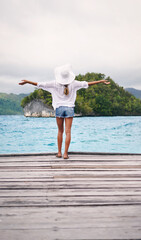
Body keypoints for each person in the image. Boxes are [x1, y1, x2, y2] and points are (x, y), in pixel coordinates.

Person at [19, 64, 110, 159]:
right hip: (69, 108)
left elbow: (39, 84)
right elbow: (87, 83)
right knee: (68, 132)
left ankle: (59, 153)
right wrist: (100, 81)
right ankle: (65, 154)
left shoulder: (54, 83)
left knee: (60, 131)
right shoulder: (74, 83)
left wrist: (27, 82)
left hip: (59, 108)